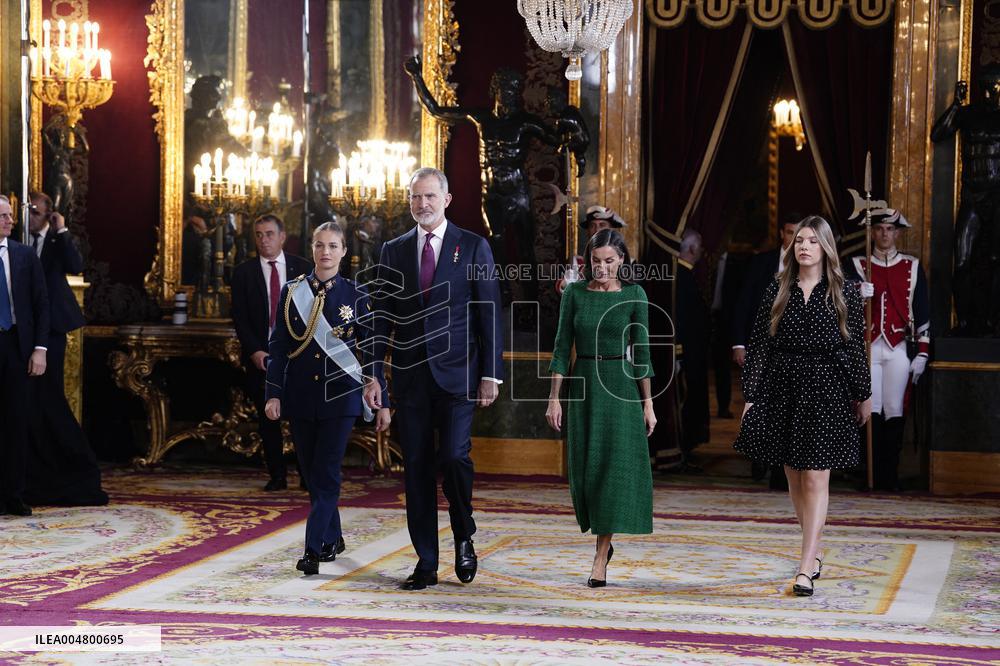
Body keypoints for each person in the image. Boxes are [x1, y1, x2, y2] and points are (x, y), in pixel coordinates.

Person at [363, 167, 504, 591]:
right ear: (409, 202)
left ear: (447, 199)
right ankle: (426, 561)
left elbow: (489, 311)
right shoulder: (394, 250)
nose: (422, 204)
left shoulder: (474, 246)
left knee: (453, 459)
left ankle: (464, 531)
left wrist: (491, 375)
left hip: (460, 375)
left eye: (429, 197)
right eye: (415, 198)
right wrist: (374, 376)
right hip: (410, 379)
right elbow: (380, 317)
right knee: (418, 470)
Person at [734, 215, 872, 597]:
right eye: (799, 241)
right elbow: (760, 345)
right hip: (782, 387)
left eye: (812, 240)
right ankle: (815, 549)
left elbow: (853, 346)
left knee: (815, 476)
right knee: (793, 476)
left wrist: (863, 393)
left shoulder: (844, 291)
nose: (804, 247)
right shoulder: (778, 289)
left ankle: (805, 565)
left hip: (827, 387)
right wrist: (752, 397)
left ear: (825, 246)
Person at [264, 221, 390, 575]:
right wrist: (273, 393)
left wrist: (382, 394)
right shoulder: (292, 292)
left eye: (333, 246)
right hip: (301, 396)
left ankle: (312, 549)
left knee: (327, 473)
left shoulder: (356, 294)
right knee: (312, 473)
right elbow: (278, 346)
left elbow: (373, 349)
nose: (325, 252)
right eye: (320, 245)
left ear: (343, 251)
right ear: (312, 248)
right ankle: (333, 537)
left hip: (341, 396)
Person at [546, 228, 656, 587]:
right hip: (583, 386)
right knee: (589, 472)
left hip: (621, 389)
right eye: (596, 262)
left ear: (622, 260)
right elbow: (562, 348)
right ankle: (601, 543)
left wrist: (648, 405)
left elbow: (641, 354)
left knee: (612, 471)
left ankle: (599, 555)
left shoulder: (635, 294)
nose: (603, 268)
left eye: (610, 261)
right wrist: (554, 398)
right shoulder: (575, 295)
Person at [23, 192, 107, 507]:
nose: (30, 215)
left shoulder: (57, 239)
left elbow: (74, 266)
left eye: (35, 210)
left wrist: (61, 231)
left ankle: (70, 467)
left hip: (53, 328)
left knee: (50, 395)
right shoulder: (19, 240)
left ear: (48, 214)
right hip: (25, 328)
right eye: (27, 209)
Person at [845, 210, 930, 491]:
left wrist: (923, 353)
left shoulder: (912, 266)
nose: (884, 234)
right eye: (879, 229)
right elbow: (836, 306)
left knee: (894, 409)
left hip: (898, 347)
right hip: (867, 347)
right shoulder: (857, 265)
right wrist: (855, 292)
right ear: (872, 232)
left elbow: (922, 310)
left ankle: (888, 476)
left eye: (889, 229)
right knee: (870, 409)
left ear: (897, 233)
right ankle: (868, 473)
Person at [231, 214, 312, 491]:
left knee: (302, 417)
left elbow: (313, 313)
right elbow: (239, 318)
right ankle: (277, 476)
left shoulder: (303, 268)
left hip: (297, 356)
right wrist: (254, 351)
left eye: (268, 233)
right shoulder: (243, 273)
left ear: (282, 236)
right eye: (258, 234)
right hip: (262, 357)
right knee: (268, 419)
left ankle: (306, 474)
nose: (263, 239)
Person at [731, 214, 799, 488]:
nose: (795, 239)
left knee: (787, 409)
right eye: (790, 232)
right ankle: (759, 455)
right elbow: (744, 301)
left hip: (793, 350)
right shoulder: (761, 262)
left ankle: (780, 472)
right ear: (782, 233)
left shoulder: (812, 264)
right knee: (758, 405)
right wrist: (739, 343)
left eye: (800, 233)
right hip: (761, 346)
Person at [0, 195, 50, 517]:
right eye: (3, 216)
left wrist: (39, 349)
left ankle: (13, 494)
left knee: (16, 422)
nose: (9, 220)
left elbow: (41, 304)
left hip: (17, 346)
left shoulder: (24, 255)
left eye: (9, 215)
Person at [675, 229, 709, 464]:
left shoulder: (685, 275)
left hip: (692, 352)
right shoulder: (681, 277)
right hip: (684, 353)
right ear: (693, 249)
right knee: (683, 399)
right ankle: (682, 446)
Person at [556, 206, 625, 295]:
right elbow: (562, 290)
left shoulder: (627, 261)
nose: (597, 230)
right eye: (592, 225)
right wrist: (565, 285)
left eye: (602, 225)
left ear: (611, 229)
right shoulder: (577, 261)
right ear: (588, 230)